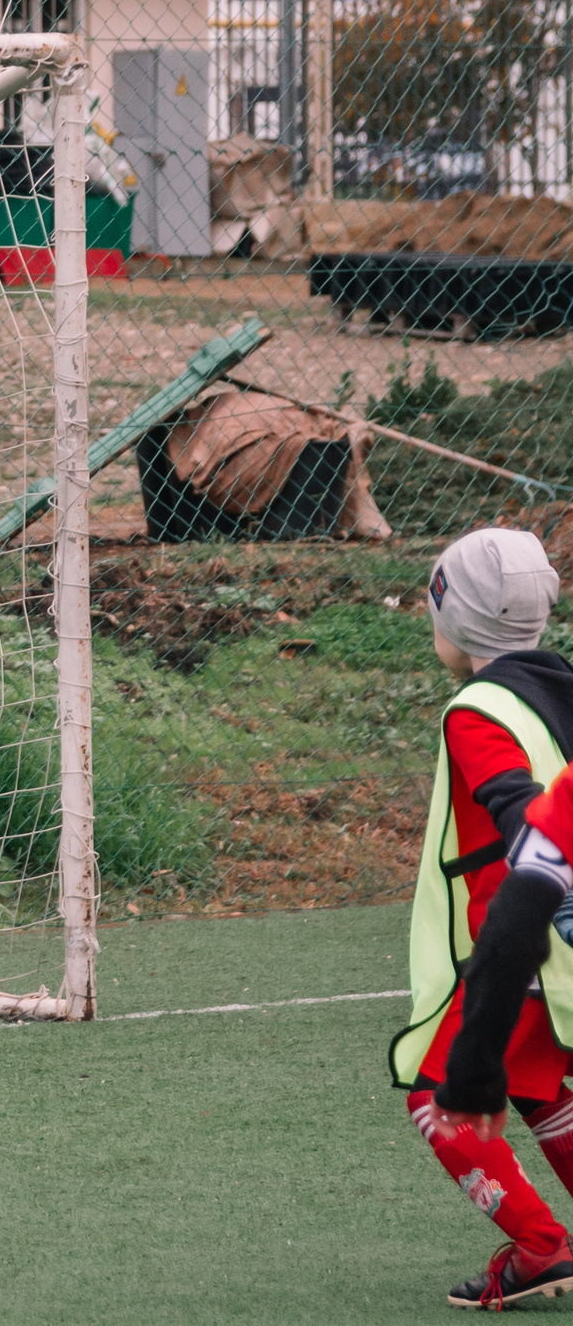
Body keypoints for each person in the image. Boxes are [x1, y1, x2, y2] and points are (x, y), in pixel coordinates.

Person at [387, 527, 572, 1309]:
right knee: (541, 1082)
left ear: (453, 620)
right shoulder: (563, 684)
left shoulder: (475, 711)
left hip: (518, 939)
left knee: (438, 1092)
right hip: (555, 944)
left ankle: (540, 1246)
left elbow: (516, 809)